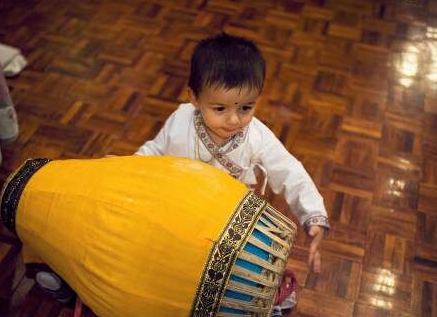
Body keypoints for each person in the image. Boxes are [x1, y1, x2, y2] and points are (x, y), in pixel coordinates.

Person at [135, 33, 329, 275]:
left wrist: (313, 215)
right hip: (177, 208)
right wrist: (126, 167)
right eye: (220, 108)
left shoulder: (257, 136)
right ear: (194, 97)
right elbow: (154, 151)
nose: (234, 119)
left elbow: (290, 172)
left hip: (228, 221)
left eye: (246, 107)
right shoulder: (181, 119)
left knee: (243, 270)